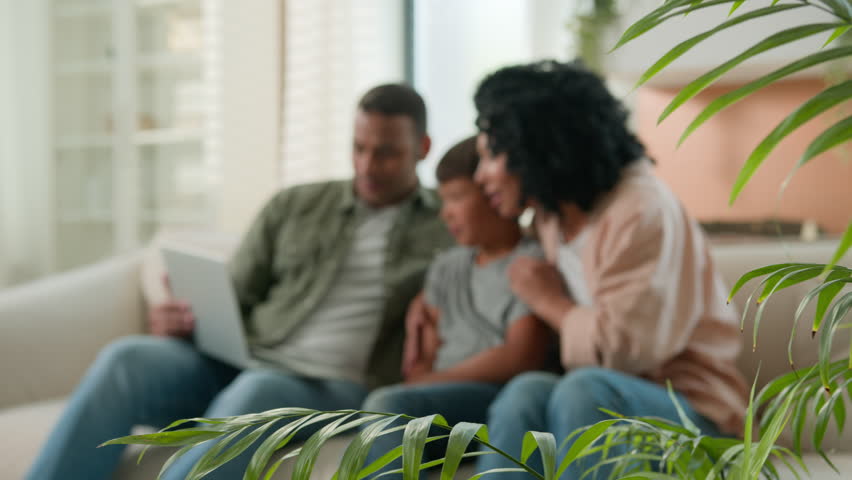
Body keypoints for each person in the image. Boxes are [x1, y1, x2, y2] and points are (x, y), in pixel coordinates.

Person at [26, 84, 454, 480]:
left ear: (423, 148)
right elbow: (235, 294)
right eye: (358, 148)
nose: (367, 166)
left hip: (335, 385)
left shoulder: (448, 225)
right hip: (246, 359)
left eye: (386, 153)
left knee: (260, 388)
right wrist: (183, 320)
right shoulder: (296, 204)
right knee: (126, 359)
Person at [469, 61, 750, 479]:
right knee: (525, 392)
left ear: (537, 149)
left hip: (696, 416)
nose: (480, 176)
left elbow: (623, 351)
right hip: (606, 402)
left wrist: (550, 301)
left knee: (585, 390)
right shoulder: (554, 213)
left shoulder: (641, 211)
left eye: (491, 155)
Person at [360, 136, 552, 477]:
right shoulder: (446, 267)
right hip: (444, 402)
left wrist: (429, 381)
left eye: (457, 197)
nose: (445, 212)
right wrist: (426, 379)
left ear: (493, 196)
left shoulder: (532, 264)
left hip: (497, 398)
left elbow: (521, 355)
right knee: (386, 409)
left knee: (388, 403)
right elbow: (423, 357)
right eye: (443, 199)